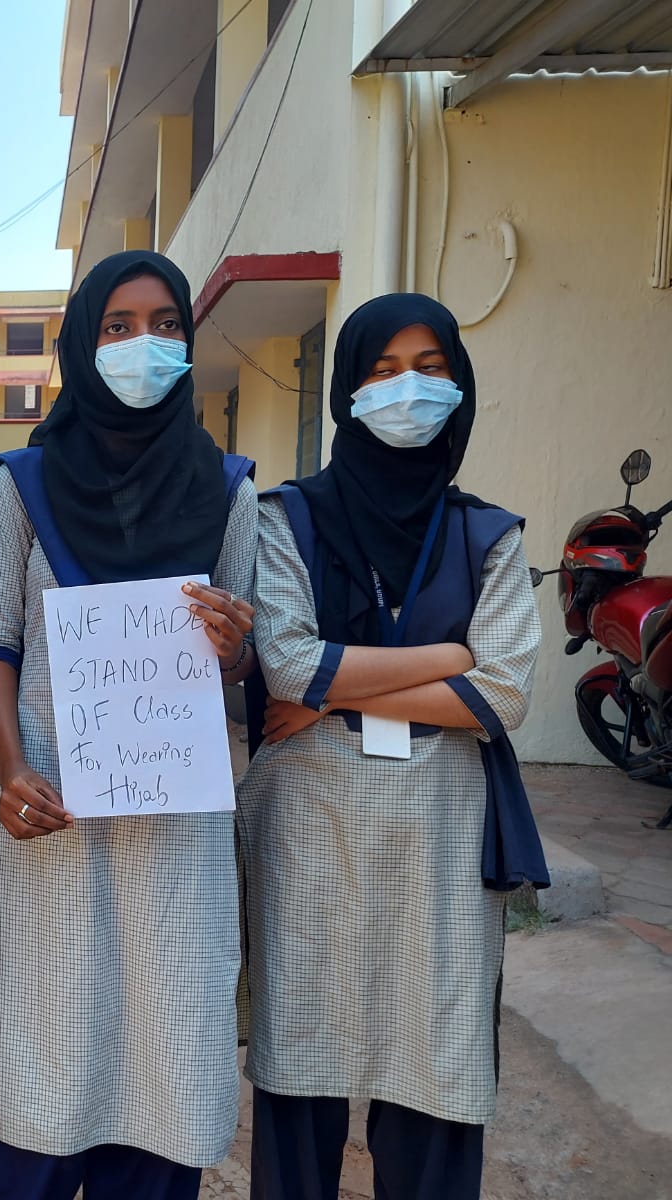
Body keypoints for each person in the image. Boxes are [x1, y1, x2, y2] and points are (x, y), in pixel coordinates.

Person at [0, 250, 257, 1200]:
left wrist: (234, 645)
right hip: (55, 814)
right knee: (45, 1044)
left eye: (166, 325)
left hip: (178, 831)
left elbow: (239, 663)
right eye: (118, 326)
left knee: (163, 1046)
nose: (143, 344)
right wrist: (10, 769)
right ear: (83, 345)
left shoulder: (231, 490)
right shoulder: (25, 483)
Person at [237, 293, 547, 1200]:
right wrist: (448, 659)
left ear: (461, 386)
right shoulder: (284, 517)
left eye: (431, 369)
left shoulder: (488, 534)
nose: (408, 389)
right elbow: (289, 664)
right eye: (383, 371)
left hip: (439, 839)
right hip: (312, 832)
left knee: (435, 1066)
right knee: (302, 1063)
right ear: (347, 390)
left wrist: (334, 696)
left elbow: (503, 693)